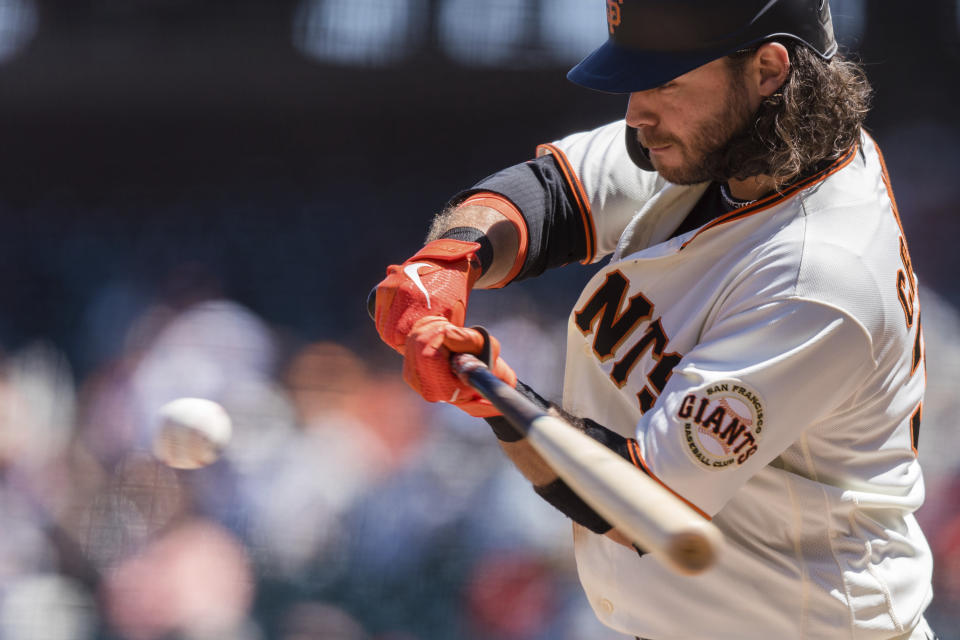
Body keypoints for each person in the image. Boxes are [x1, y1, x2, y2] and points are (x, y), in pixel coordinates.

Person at [372, 1, 936, 638]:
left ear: (768, 69)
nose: (636, 111)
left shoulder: (819, 273)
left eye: (665, 80)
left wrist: (498, 399)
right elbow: (554, 194)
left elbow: (640, 503)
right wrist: (451, 257)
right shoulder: (742, 143)